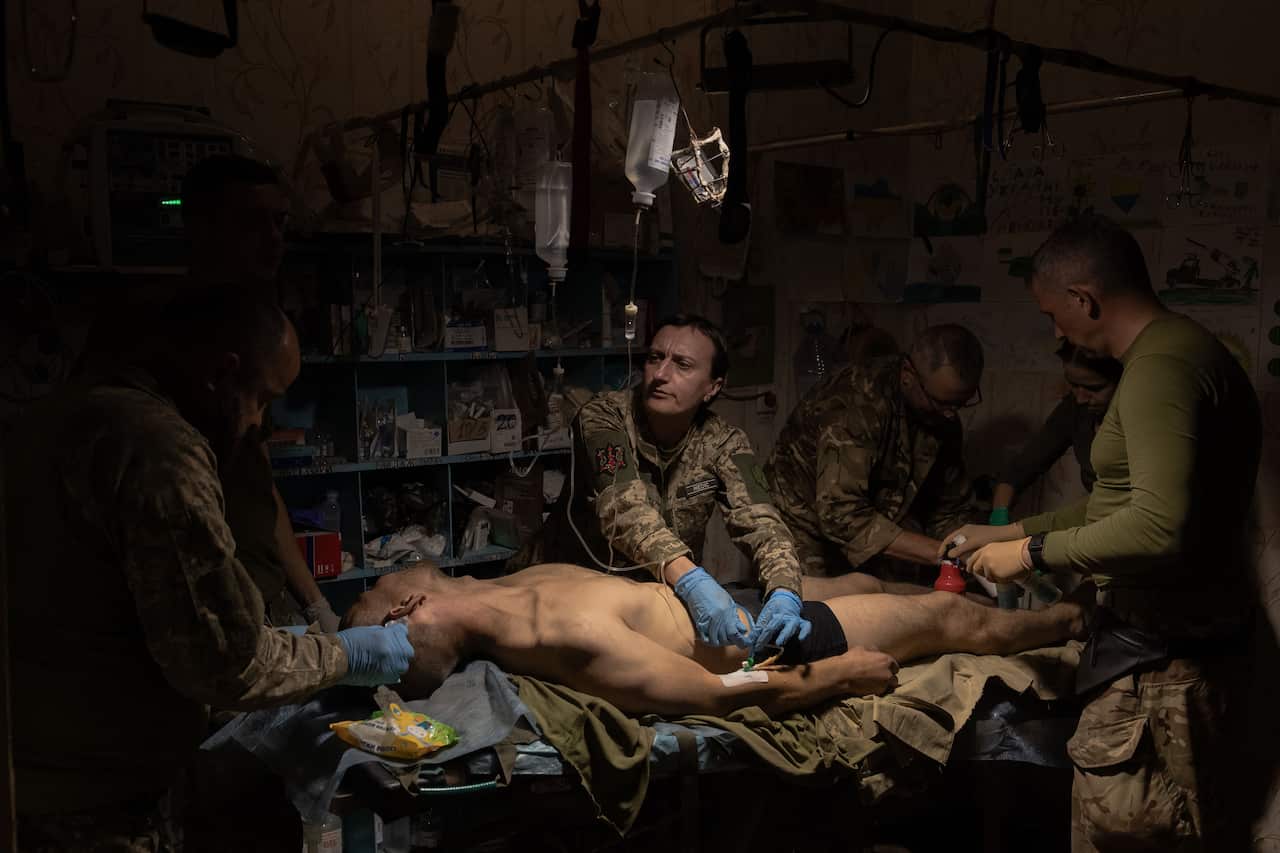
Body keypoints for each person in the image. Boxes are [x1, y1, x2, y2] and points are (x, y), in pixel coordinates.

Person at [5, 289, 414, 851]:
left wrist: (287, 637)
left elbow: (146, 611)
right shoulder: (157, 450)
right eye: (262, 400)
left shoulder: (59, 416)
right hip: (95, 796)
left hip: (43, 766)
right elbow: (225, 664)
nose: (258, 424)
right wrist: (347, 654)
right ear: (222, 374)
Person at [945, 214, 1261, 852]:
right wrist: (1007, 529)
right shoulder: (1184, 351)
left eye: (1052, 314)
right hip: (1166, 649)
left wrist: (1030, 552)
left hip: (1162, 664)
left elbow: (1156, 527)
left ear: (1083, 299)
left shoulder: (1159, 369)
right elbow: (1113, 506)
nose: (1055, 331)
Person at [344, 561, 1090, 717]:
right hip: (766, 645)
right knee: (951, 619)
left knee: (864, 580)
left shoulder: (488, 585)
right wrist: (834, 677)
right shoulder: (556, 633)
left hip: (736, 604)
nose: (378, 588)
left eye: (372, 596)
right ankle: (1071, 622)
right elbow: (708, 691)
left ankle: (1064, 614)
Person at [533, 314, 810, 660]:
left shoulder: (725, 442)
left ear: (713, 387)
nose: (661, 375)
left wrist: (785, 591)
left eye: (682, 365)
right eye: (655, 358)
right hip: (572, 591)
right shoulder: (603, 417)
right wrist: (693, 581)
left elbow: (762, 522)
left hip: (658, 600)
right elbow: (624, 511)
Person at [180, 154, 343, 634]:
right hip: (215, 620)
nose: (274, 240)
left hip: (267, 599)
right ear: (203, 228)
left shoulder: (258, 329)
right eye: (253, 223)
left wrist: (315, 605)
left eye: (280, 222)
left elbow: (261, 487)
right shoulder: (170, 350)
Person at [766, 325, 983, 587]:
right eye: (941, 403)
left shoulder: (941, 416)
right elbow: (840, 514)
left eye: (959, 404)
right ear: (908, 375)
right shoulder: (854, 403)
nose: (951, 415)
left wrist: (972, 552)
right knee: (816, 610)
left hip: (872, 517)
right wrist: (942, 554)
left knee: (906, 598)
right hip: (800, 520)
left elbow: (950, 508)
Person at [987, 341, 1122, 525]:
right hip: (1094, 521)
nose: (1081, 398)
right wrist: (999, 516)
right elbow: (1023, 467)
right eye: (1074, 385)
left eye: (1094, 388)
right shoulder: (1076, 409)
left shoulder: (1138, 419)